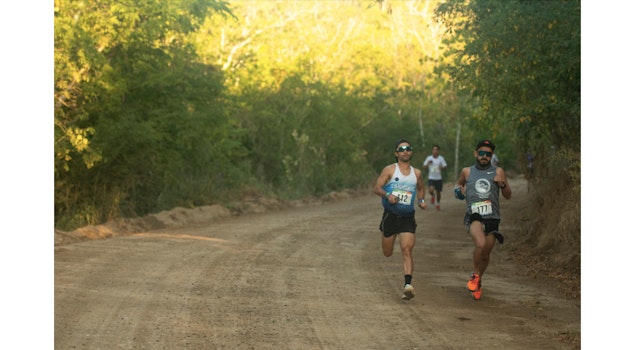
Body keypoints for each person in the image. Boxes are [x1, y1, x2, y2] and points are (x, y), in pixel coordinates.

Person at [454, 139, 512, 300]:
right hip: (474, 215)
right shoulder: (467, 171)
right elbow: (458, 186)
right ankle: (474, 275)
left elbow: (508, 195)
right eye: (481, 153)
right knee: (480, 244)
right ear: (476, 154)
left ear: (492, 156)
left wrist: (502, 184)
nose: (484, 156)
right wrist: (459, 191)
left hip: (492, 217)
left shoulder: (498, 171)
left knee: (486, 254)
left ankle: (478, 278)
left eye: (488, 154)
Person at [373, 139, 427, 300]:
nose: (405, 151)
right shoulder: (389, 170)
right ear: (396, 153)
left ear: (411, 152)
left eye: (408, 148)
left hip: (407, 218)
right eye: (401, 149)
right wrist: (387, 195)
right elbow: (376, 188)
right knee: (387, 252)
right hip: (390, 216)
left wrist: (421, 200)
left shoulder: (416, 173)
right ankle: (407, 284)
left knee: (407, 250)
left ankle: (407, 285)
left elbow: (421, 188)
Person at [422, 145, 448, 211]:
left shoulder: (441, 158)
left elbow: (445, 166)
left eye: (436, 149)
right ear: (432, 150)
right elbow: (424, 167)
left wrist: (441, 167)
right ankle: (432, 196)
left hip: (439, 178)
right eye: (433, 149)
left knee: (438, 192)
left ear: (438, 151)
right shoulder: (429, 158)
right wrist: (428, 163)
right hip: (431, 177)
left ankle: (438, 203)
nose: (435, 151)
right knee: (430, 190)